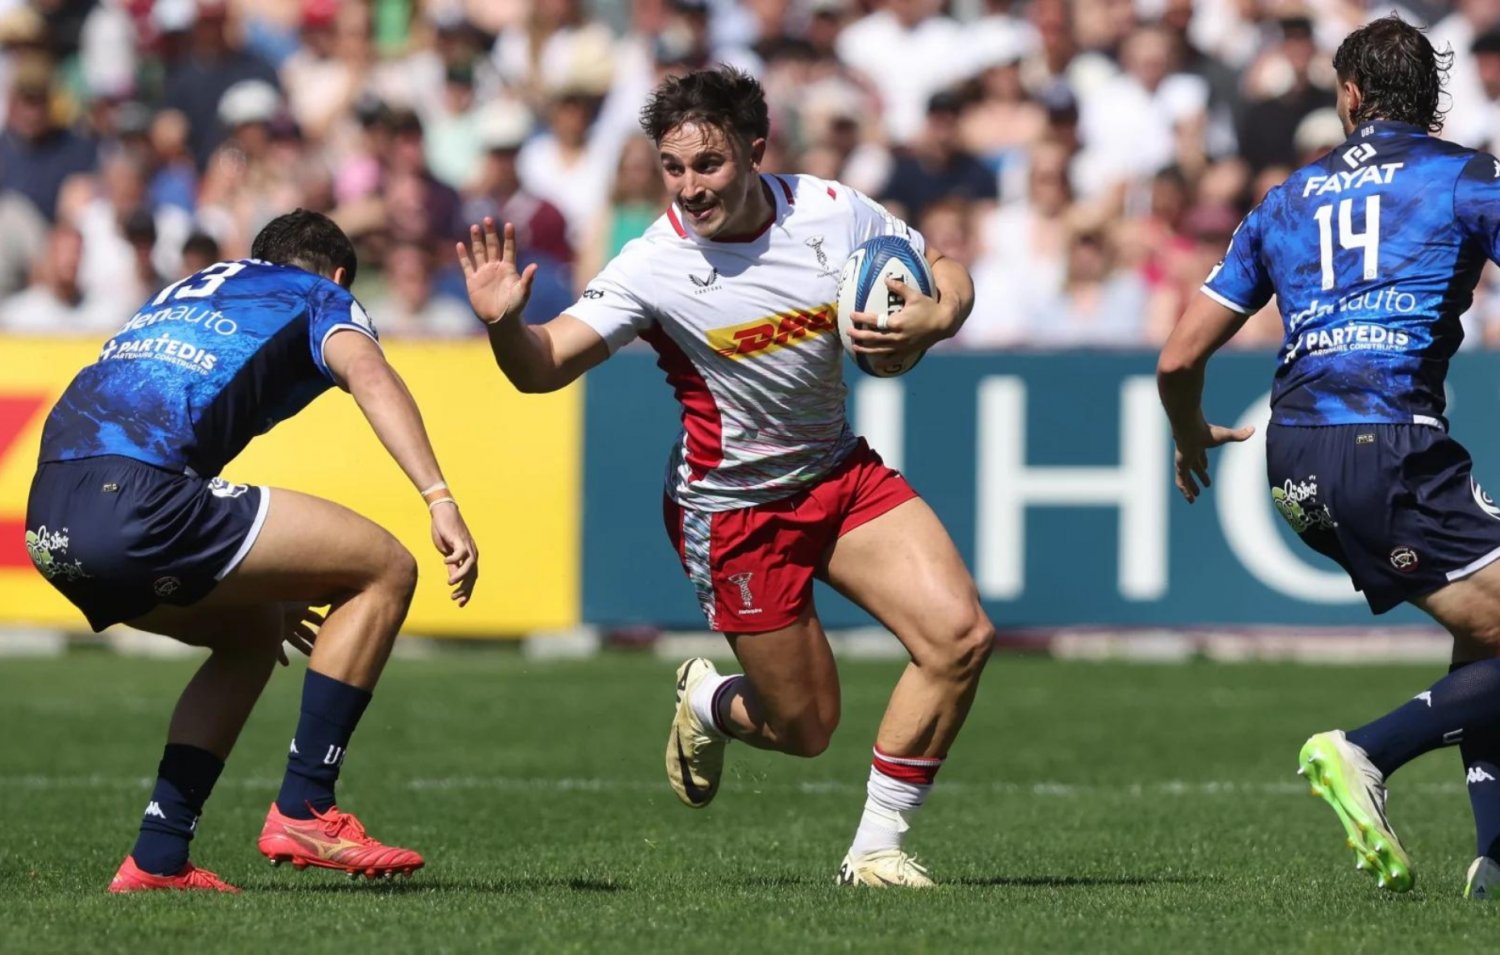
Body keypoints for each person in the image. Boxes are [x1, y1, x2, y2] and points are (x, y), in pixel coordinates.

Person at [457, 66, 992, 888]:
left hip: (836, 472)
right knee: (806, 727)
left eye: (707, 163)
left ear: (754, 149)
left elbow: (941, 264)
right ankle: (709, 701)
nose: (689, 186)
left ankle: (874, 851)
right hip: (734, 510)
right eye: (673, 167)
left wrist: (939, 311)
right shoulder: (654, 264)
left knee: (960, 637)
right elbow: (543, 365)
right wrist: (505, 327)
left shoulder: (831, 209)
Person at [25, 209, 479, 893]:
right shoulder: (320, 294)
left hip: (51, 517)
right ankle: (307, 807)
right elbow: (370, 374)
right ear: (338, 275)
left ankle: (157, 857)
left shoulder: (193, 287)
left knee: (252, 632)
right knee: (386, 568)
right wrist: (438, 496)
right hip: (139, 501)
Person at [1157, 15, 1500, 900]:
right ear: (1431, 97)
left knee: (1487, 630)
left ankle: (1496, 857)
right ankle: (1368, 749)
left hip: (1293, 459)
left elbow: (1178, 360)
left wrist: (1189, 432)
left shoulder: (1285, 199)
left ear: (1349, 95)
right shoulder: (1465, 176)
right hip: (1390, 444)